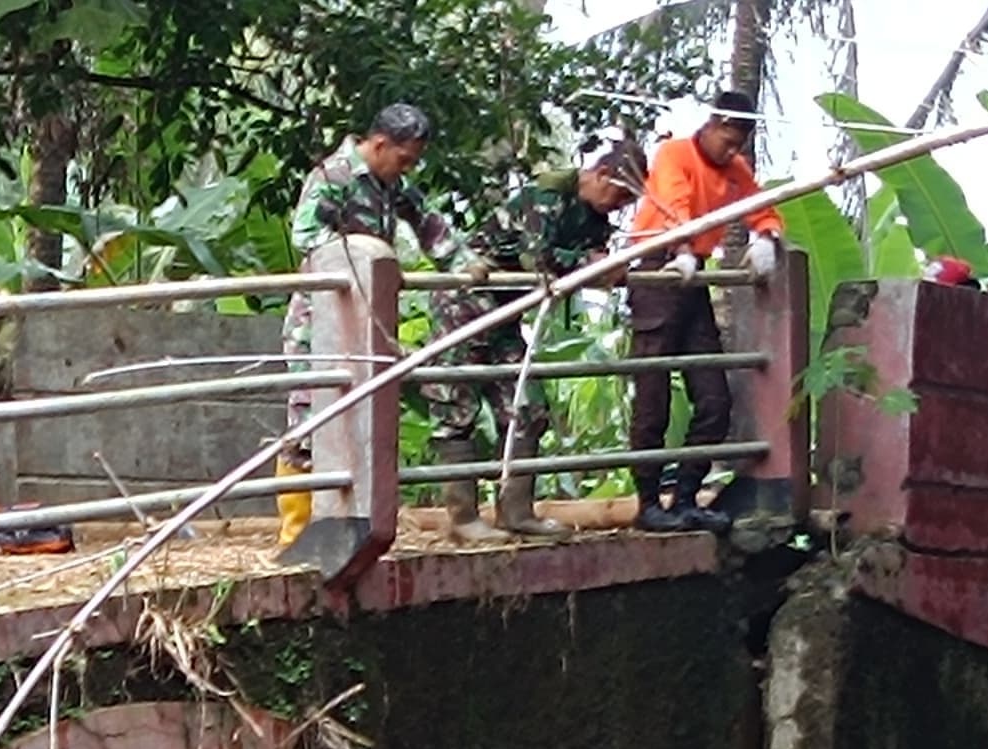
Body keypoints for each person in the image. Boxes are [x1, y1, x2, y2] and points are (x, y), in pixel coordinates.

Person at [444, 136, 646, 541]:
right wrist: (585, 265)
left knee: (528, 408)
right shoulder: (546, 197)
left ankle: (516, 511)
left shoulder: (594, 219)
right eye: (619, 195)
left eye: (627, 203)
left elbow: (594, 269)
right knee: (457, 406)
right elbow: (535, 259)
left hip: (509, 316)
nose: (618, 206)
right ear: (600, 174)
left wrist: (604, 269)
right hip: (468, 306)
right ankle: (462, 518)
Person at [281, 102, 457, 548]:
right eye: (403, 159)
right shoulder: (333, 177)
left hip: (367, 322)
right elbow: (306, 236)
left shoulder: (390, 184)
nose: (407, 169)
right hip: (319, 318)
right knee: (307, 420)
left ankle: (343, 528)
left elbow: (430, 225)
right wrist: (362, 254)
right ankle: (296, 534)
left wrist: (464, 263)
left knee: (361, 417)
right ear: (379, 144)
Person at [621, 93, 779, 533]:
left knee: (714, 396)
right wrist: (682, 248)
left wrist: (766, 238)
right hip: (659, 270)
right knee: (653, 396)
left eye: (738, 146)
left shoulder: (735, 170)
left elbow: (761, 207)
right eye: (727, 141)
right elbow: (676, 205)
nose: (731, 152)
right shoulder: (674, 153)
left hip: (694, 279)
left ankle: (687, 495)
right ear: (712, 125)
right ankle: (649, 502)